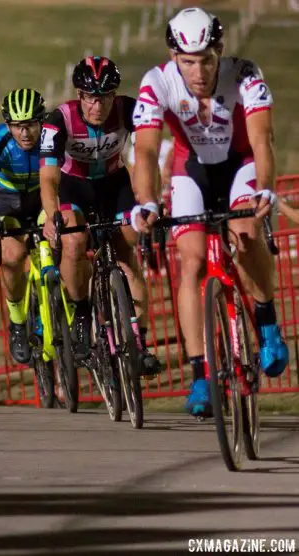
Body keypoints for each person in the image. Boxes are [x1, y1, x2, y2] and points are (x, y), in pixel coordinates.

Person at [130, 7, 289, 417]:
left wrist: (266, 188)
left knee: (247, 231)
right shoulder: (157, 83)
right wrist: (146, 200)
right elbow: (146, 151)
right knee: (193, 262)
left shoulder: (246, 74)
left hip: (240, 164)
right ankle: (200, 373)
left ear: (220, 51)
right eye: (187, 62)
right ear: (173, 57)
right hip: (192, 171)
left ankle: (267, 323)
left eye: (206, 60)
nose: (198, 72)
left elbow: (262, 139)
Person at [38, 56, 161, 376]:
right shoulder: (58, 120)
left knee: (128, 250)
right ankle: (80, 310)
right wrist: (52, 216)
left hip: (113, 184)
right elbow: (49, 178)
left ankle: (140, 343)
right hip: (73, 188)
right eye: (91, 97)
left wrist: (151, 202)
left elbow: (148, 153)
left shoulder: (129, 109)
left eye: (106, 96)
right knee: (74, 241)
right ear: (79, 95)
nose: (98, 105)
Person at [0, 88, 45, 364]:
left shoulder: (52, 137)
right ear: (8, 125)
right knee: (13, 256)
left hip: (41, 194)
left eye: (29, 124)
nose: (24, 132)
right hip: (6, 199)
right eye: (17, 126)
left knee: (63, 244)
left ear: (41, 120)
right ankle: (17, 323)